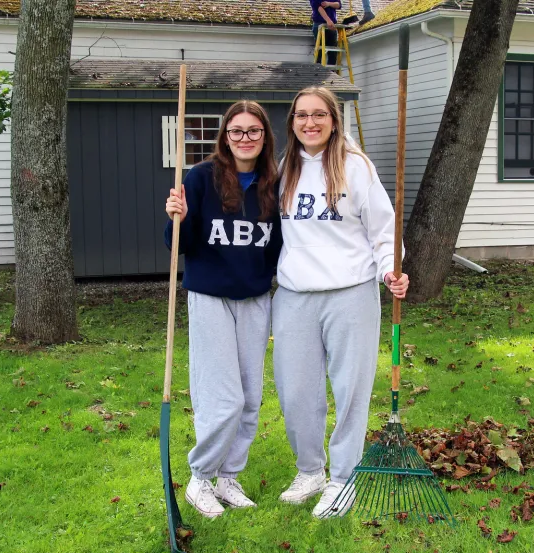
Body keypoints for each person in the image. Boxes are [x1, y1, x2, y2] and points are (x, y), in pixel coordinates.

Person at [272, 86, 409, 518]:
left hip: (351, 293)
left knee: (350, 389)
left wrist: (391, 268)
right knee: (295, 391)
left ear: (334, 120)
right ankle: (310, 469)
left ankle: (343, 477)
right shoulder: (284, 169)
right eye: (301, 116)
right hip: (294, 295)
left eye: (318, 115)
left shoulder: (357, 168)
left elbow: (384, 231)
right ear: (292, 123)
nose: (309, 123)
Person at [164, 101, 282, 519]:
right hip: (211, 297)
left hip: (255, 298)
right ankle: (201, 477)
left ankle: (229, 476)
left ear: (265, 136)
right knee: (223, 396)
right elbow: (179, 243)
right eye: (236, 131)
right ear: (224, 136)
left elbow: (283, 244)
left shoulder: (275, 183)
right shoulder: (200, 178)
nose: (244, 138)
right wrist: (175, 217)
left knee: (250, 396)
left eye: (253, 131)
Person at [311, 0, 341, 66]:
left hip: (332, 25)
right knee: (319, 51)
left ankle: (331, 74)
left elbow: (338, 4)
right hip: (320, 24)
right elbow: (318, 7)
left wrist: (329, 4)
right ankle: (317, 72)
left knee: (333, 52)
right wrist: (328, 20)